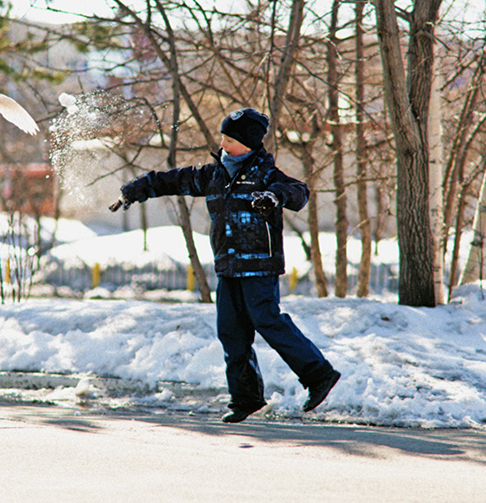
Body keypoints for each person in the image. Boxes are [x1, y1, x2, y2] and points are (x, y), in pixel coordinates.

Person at [112, 107, 340, 422]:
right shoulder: (214, 174)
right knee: (231, 331)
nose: (223, 144)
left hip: (259, 264)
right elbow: (173, 180)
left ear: (249, 144)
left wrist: (274, 197)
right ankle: (246, 399)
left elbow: (298, 192)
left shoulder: (266, 173)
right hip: (228, 265)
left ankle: (318, 375)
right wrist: (135, 190)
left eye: (230, 140)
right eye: (223, 137)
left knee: (267, 319)